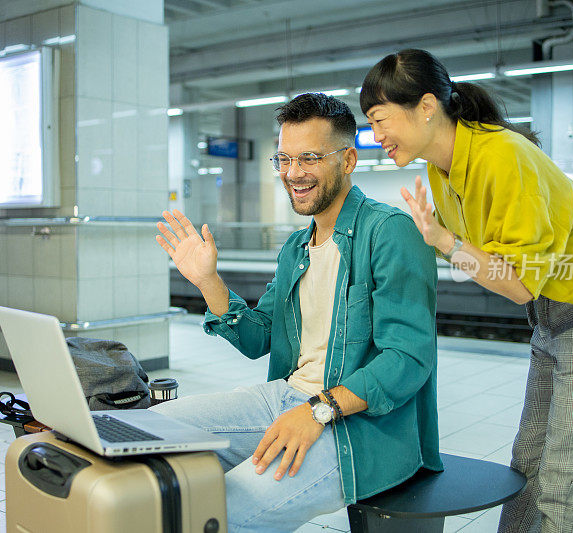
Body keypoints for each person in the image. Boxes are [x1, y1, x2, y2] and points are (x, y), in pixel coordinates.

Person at [360, 48, 573, 533]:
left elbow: (514, 285)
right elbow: (484, 259)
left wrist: (446, 242)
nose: (377, 134)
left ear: (427, 106)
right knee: (527, 466)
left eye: (380, 118)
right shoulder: (440, 167)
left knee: (564, 481)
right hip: (553, 316)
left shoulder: (503, 156)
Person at [153, 93, 442, 532]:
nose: (292, 173)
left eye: (308, 158)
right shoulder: (295, 248)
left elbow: (408, 360)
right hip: (285, 400)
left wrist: (318, 409)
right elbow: (258, 337)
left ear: (347, 160)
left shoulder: (389, 232)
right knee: (149, 431)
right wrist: (208, 282)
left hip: (357, 427)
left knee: (218, 513)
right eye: (284, 159)